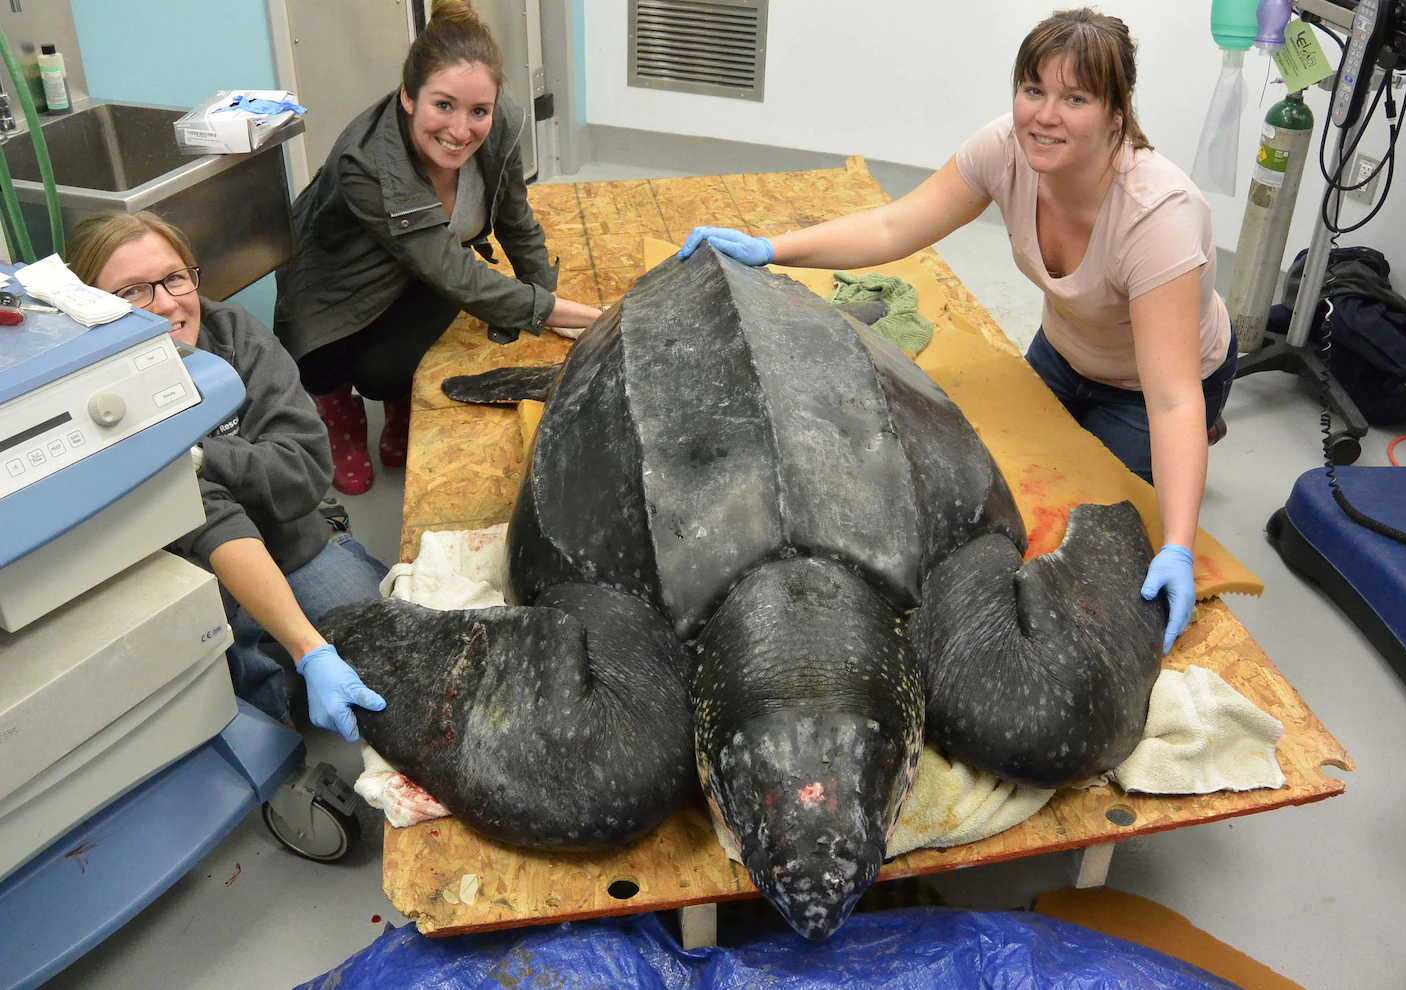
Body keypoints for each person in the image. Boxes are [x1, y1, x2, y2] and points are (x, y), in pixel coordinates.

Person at [677, 9, 1236, 655]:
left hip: (1152, 386)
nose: (1045, 115)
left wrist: (1179, 545)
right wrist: (769, 248)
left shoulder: (1158, 217)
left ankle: (1209, 431)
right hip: (1063, 351)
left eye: (1075, 98)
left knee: (1092, 536)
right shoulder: (1007, 150)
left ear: (1119, 111)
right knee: (1001, 487)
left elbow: (1172, 399)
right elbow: (894, 229)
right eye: (1034, 90)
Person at [67, 211, 388, 743]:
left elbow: (305, 467)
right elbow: (208, 519)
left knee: (385, 648)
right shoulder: (100, 400)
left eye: (174, 278)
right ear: (90, 307)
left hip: (292, 541)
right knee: (245, 711)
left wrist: (201, 456)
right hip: (201, 576)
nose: (169, 303)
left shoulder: (234, 334)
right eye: (133, 292)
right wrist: (309, 648)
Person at [274, 0, 601, 496]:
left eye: (478, 111)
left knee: (383, 374)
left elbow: (514, 218)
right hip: (336, 279)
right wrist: (594, 317)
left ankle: (399, 403)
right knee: (319, 359)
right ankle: (338, 414)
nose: (459, 130)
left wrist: (547, 298)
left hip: (425, 267)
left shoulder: (504, 125)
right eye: (442, 105)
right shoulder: (364, 163)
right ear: (408, 97)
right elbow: (455, 274)